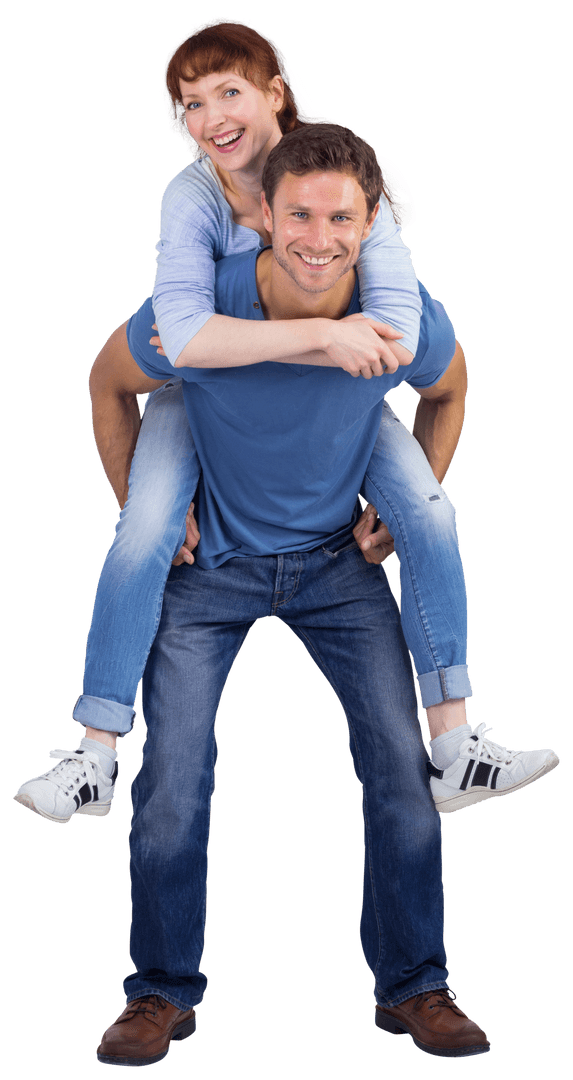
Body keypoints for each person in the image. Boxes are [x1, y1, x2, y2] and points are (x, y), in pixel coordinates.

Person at [14, 17, 558, 825]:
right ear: (264, 218)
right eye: (190, 103)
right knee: (143, 528)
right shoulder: (194, 193)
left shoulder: (337, 173)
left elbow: (401, 340)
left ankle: (451, 744)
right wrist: (324, 338)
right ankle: (94, 756)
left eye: (228, 92)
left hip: (341, 405)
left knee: (431, 513)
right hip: (205, 400)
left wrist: (336, 353)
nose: (210, 118)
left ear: (274, 93)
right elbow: (184, 337)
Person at [96, 123, 491, 1065]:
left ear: (372, 224)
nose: (319, 236)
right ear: (261, 215)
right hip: (210, 571)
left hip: (334, 569)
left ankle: (415, 985)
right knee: (172, 785)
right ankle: (159, 992)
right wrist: (150, 516)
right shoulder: (196, 316)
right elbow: (108, 383)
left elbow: (452, 386)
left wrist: (408, 500)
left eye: (341, 217)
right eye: (299, 213)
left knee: (405, 769)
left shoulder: (399, 318)